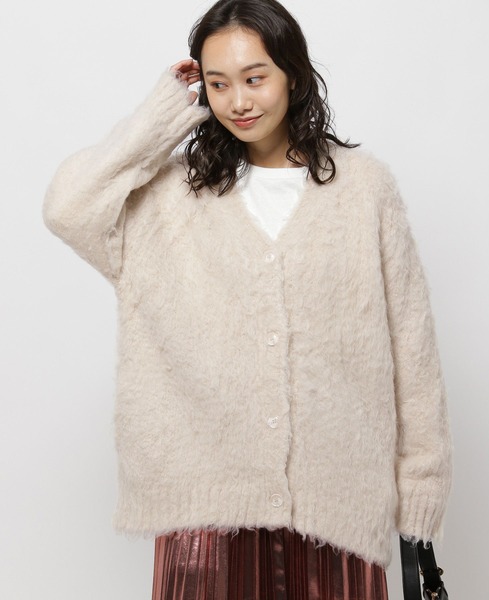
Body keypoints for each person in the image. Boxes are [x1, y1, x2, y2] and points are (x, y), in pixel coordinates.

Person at [43, 0, 452, 598]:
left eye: (255, 78)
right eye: (218, 84)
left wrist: (419, 504)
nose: (238, 101)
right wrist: (159, 120)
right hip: (203, 520)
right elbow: (68, 207)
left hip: (335, 511)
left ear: (293, 74)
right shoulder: (167, 197)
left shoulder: (365, 190)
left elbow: (412, 358)